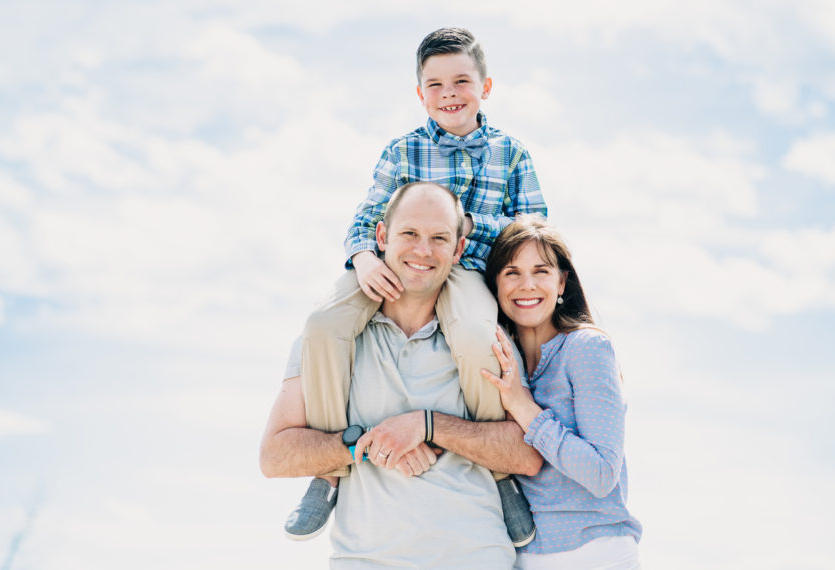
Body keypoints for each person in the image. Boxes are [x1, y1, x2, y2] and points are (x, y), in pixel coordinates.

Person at [283, 27, 547, 545]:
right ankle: (329, 471)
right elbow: (366, 218)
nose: (449, 94)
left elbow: (532, 229)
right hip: (393, 265)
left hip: (468, 271)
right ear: (420, 93)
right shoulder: (403, 150)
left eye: (461, 81)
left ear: (485, 87)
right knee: (322, 324)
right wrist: (363, 258)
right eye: (435, 85)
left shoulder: (511, 153)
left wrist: (467, 226)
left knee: (477, 338)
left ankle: (500, 476)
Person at [260, 182, 544, 568]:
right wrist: (370, 443)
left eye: (439, 238)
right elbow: (274, 456)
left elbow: (528, 456)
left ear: (459, 249)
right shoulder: (329, 339)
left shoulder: (484, 335)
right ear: (381, 237)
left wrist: (428, 426)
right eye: (409, 233)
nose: (423, 250)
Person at [480, 215, 643, 569]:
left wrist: (525, 408)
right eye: (512, 273)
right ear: (496, 285)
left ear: (561, 282)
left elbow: (602, 474)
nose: (527, 285)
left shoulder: (586, 348)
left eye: (541, 271)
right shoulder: (503, 360)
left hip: (596, 553)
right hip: (526, 557)